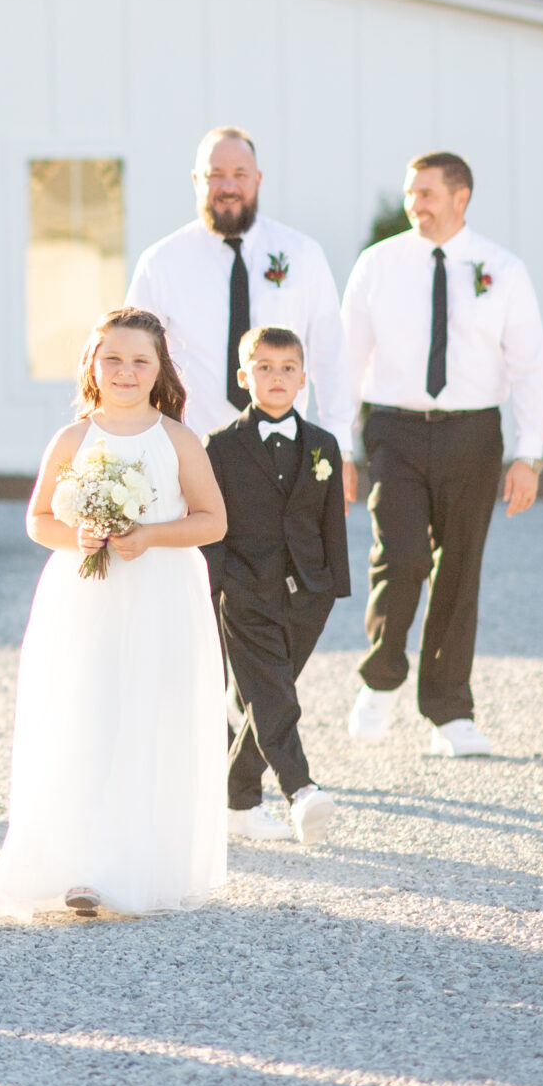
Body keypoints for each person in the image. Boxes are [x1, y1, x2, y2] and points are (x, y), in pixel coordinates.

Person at [0, 308, 228, 921]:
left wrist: (148, 535)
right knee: (85, 715)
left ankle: (143, 864)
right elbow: (39, 519)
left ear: (159, 370)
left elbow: (212, 520)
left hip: (159, 591)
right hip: (86, 597)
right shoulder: (72, 439)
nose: (125, 370)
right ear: (93, 365)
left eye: (140, 360)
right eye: (112, 358)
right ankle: (81, 867)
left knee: (149, 717)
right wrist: (81, 537)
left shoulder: (177, 439)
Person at [334, 151, 543, 759]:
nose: (415, 203)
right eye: (410, 192)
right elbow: (347, 361)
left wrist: (529, 454)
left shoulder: (502, 270)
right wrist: (340, 444)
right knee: (399, 556)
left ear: (461, 196)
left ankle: (449, 711)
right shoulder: (377, 265)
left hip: (474, 434)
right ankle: (381, 675)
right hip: (394, 432)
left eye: (426, 193)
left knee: (460, 567)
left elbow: (529, 365)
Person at [204, 326, 348, 847]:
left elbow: (333, 523)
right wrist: (211, 591)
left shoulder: (323, 446)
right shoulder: (220, 446)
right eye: (264, 366)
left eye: (288, 367)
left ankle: (236, 802)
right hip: (244, 588)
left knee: (264, 695)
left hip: (309, 591)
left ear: (303, 378)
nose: (277, 376)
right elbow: (213, 525)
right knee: (276, 697)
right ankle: (301, 790)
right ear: (243, 377)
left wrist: (332, 587)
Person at [127, 127, 346, 440]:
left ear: (257, 180)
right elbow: (134, 356)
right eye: (215, 175)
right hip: (191, 449)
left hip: (284, 448)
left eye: (240, 174)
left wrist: (341, 444)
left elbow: (330, 356)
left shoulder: (303, 254)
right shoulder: (160, 263)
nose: (228, 186)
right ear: (195, 181)